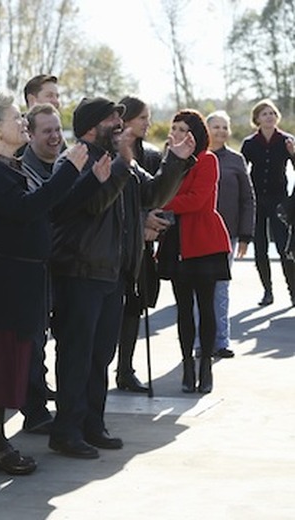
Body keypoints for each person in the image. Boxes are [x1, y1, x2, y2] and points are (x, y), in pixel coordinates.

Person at [0, 92, 92, 475]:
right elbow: (25, 209)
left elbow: (49, 209)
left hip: (11, 282)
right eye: (16, 118)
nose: (23, 123)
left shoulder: (8, 166)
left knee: (3, 364)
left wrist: (88, 179)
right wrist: (68, 171)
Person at [48, 97, 195, 460]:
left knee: (100, 357)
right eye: (112, 117)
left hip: (113, 274)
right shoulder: (78, 160)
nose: (120, 122)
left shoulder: (119, 160)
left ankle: (92, 424)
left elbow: (153, 195)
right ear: (90, 127)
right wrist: (124, 162)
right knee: (77, 355)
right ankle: (66, 430)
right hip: (80, 272)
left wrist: (176, 162)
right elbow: (95, 203)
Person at [158, 109, 231, 394]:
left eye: (181, 129)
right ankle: (187, 365)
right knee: (183, 309)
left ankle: (206, 366)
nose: (174, 133)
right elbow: (161, 190)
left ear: (194, 134)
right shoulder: (170, 161)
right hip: (177, 241)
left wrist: (164, 203)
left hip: (204, 241)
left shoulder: (207, 159)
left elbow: (197, 200)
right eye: (173, 128)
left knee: (207, 307)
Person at [18, 102, 64, 432]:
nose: (54, 137)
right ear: (30, 134)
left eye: (58, 130)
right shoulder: (20, 172)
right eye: (46, 131)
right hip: (34, 271)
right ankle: (34, 411)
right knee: (32, 344)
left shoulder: (69, 165)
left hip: (68, 267)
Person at [114, 96, 164, 393]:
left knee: (135, 307)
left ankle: (125, 369)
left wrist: (154, 222)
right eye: (143, 118)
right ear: (127, 120)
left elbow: (158, 197)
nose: (148, 123)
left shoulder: (153, 156)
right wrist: (140, 220)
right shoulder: (109, 153)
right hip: (113, 246)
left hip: (142, 249)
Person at [196, 110, 255, 359]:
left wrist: (245, 235)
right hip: (198, 234)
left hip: (226, 235)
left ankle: (221, 341)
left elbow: (247, 199)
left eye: (224, 127)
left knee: (221, 288)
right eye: (215, 127)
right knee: (199, 290)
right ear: (206, 130)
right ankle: (200, 342)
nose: (220, 131)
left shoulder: (236, 160)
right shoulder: (195, 157)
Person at [240, 99, 295, 306]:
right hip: (257, 201)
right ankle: (267, 291)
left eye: (272, 113)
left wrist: (294, 154)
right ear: (257, 119)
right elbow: (241, 170)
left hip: (280, 201)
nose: (269, 116)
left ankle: (293, 291)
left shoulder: (286, 140)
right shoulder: (249, 143)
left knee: (284, 247)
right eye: (264, 114)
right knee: (260, 248)